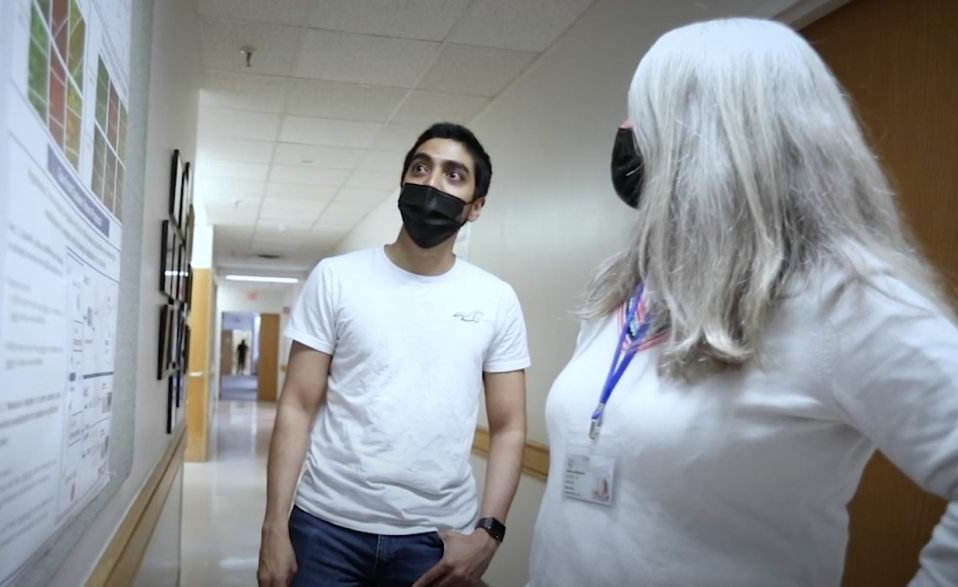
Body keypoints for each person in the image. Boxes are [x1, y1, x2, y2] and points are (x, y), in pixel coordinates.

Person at [527, 17, 958, 587]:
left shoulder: (844, 301)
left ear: (708, 135)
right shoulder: (635, 290)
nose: (625, 130)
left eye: (641, 111)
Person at [257, 122, 531, 587]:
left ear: (476, 207)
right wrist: (273, 526)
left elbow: (509, 426)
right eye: (420, 168)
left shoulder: (495, 299)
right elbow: (297, 406)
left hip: (438, 538)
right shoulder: (336, 278)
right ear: (403, 183)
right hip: (325, 528)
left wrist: (490, 532)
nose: (431, 183)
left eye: (453, 175)